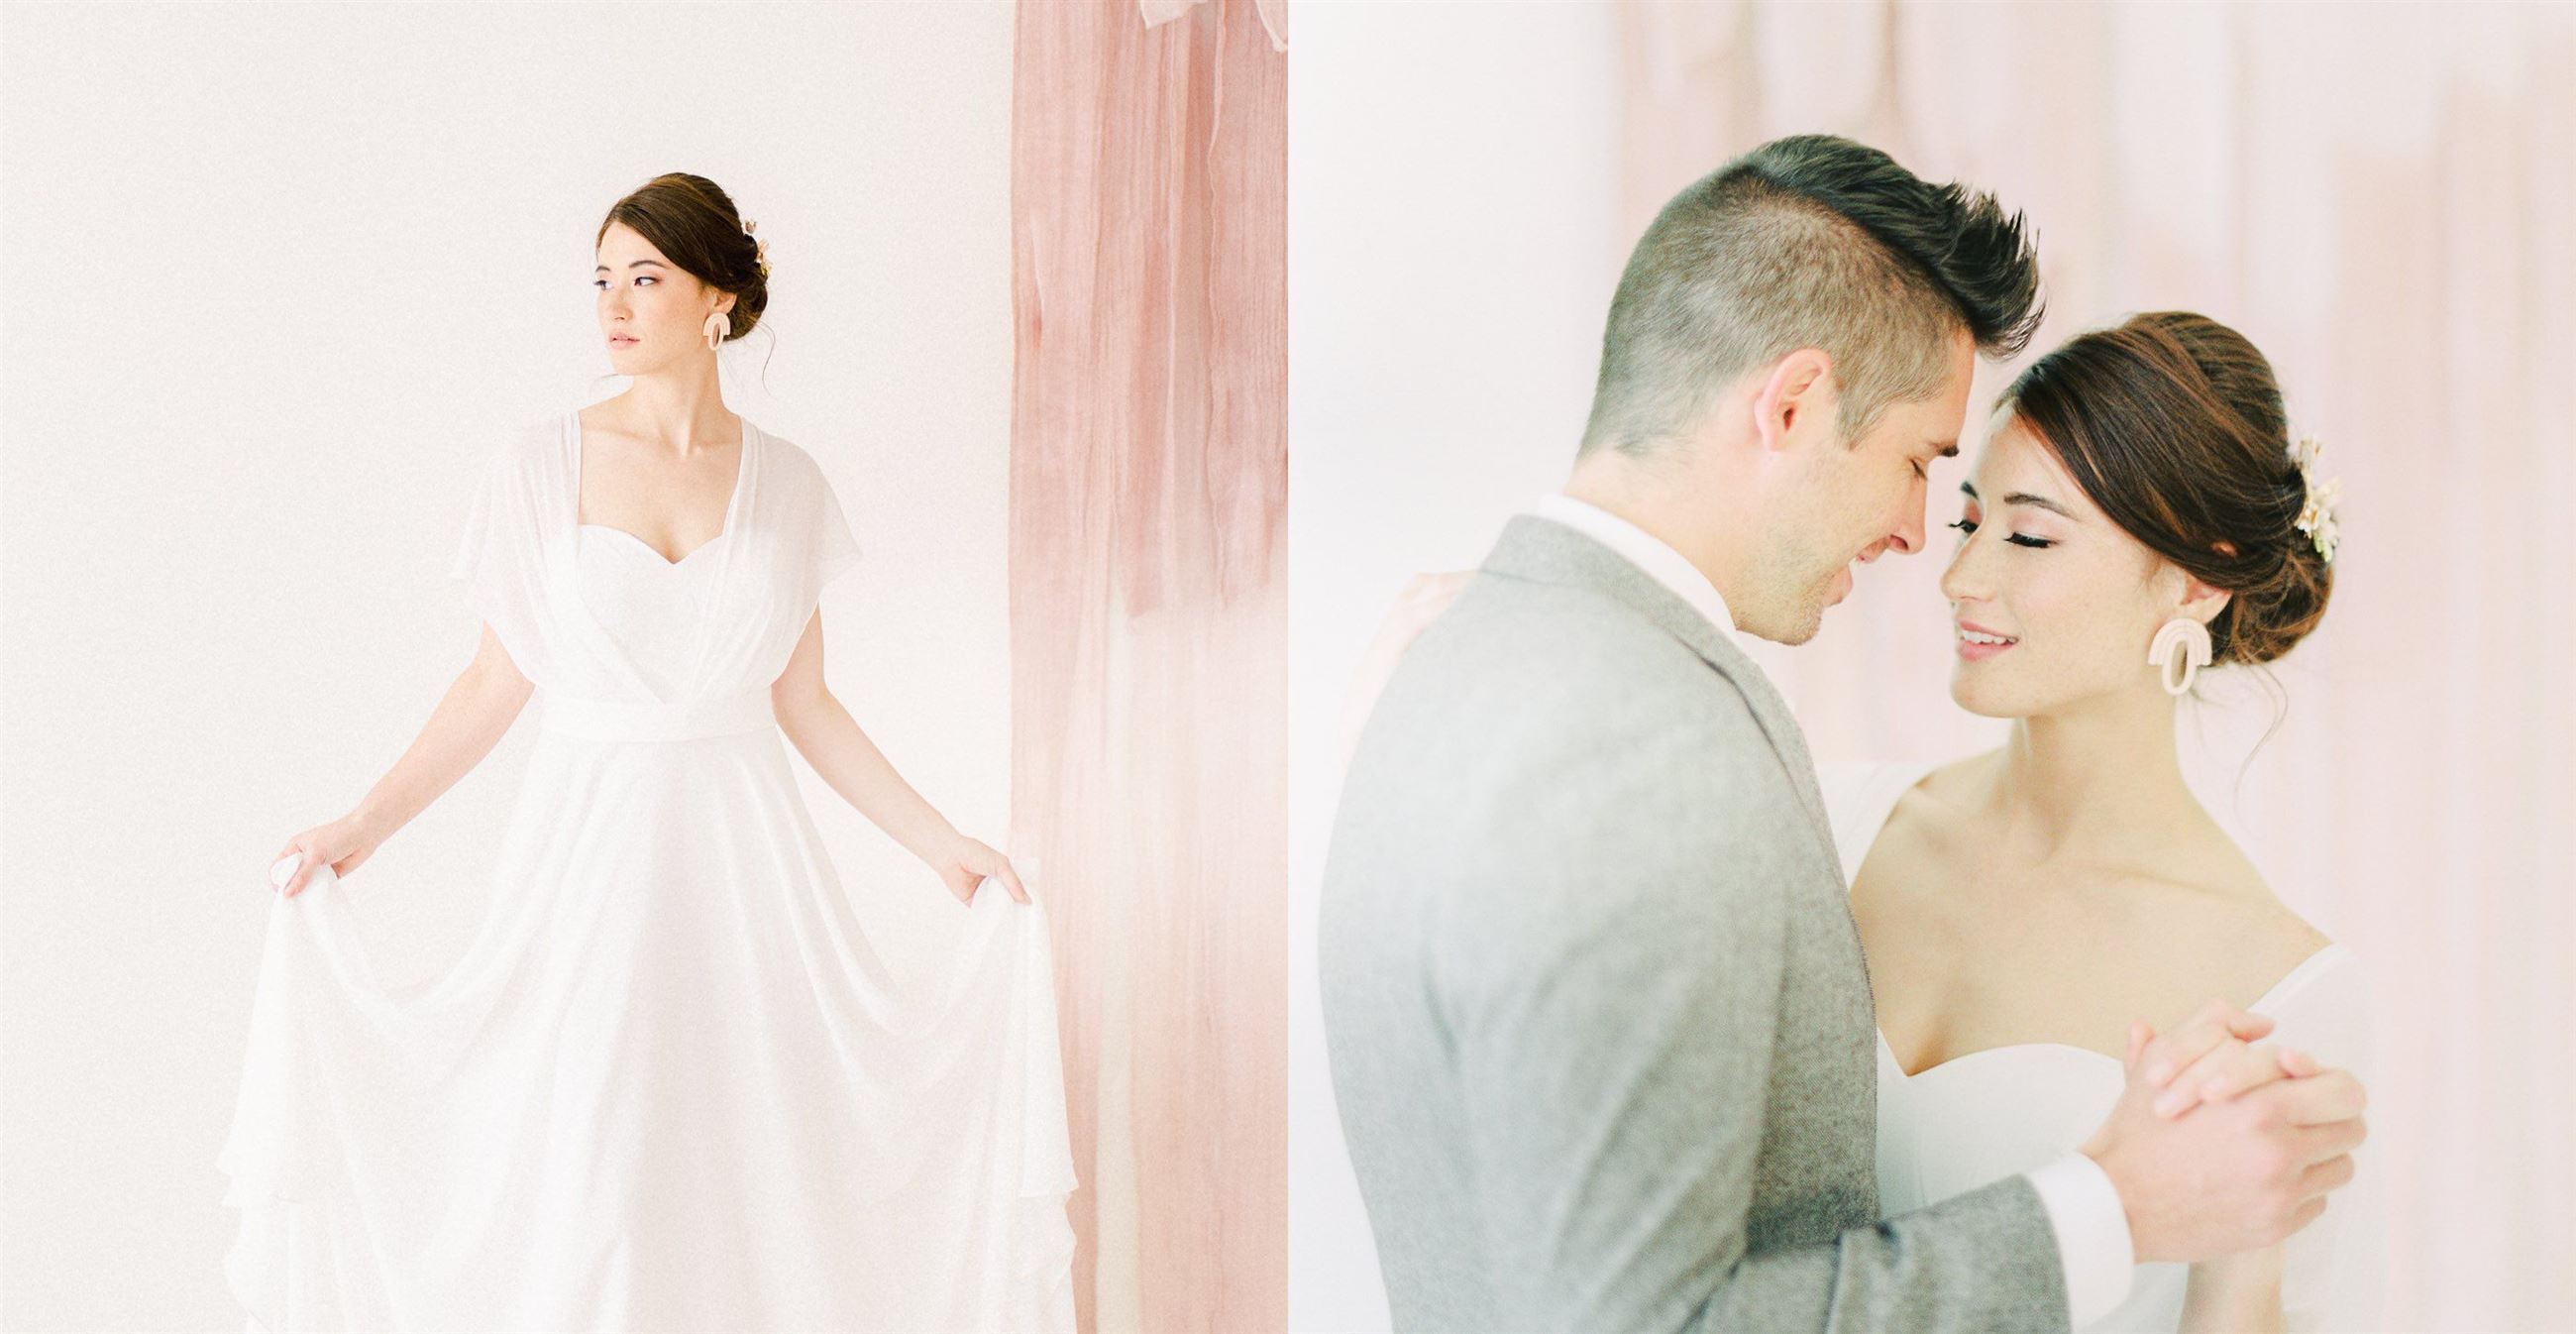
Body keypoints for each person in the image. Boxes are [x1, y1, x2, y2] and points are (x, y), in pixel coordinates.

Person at [1318, 136, 2367, 1334]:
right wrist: (2111, 1208)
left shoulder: (1455, 673)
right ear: (1794, 406)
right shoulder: (1684, 762)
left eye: (2018, 530)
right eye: (1930, 472)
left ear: (2194, 581)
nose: (1927, 547)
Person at [220, 172, 1076, 1332]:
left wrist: (943, 846)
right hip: (586, 857)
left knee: (743, 1158)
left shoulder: (784, 481)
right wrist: (360, 826)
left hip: (744, 865)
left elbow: (806, 700)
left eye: (646, 278)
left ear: (716, 296)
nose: (613, 305)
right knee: (594, 1161)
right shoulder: (538, 464)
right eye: (602, 280)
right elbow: (492, 679)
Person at [1817, 311, 2376, 1333]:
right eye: (1967, 520)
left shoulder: (2278, 990)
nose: (1961, 578)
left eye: (2028, 535)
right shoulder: (1827, 822)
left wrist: (2237, 1263)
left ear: (2196, 578)